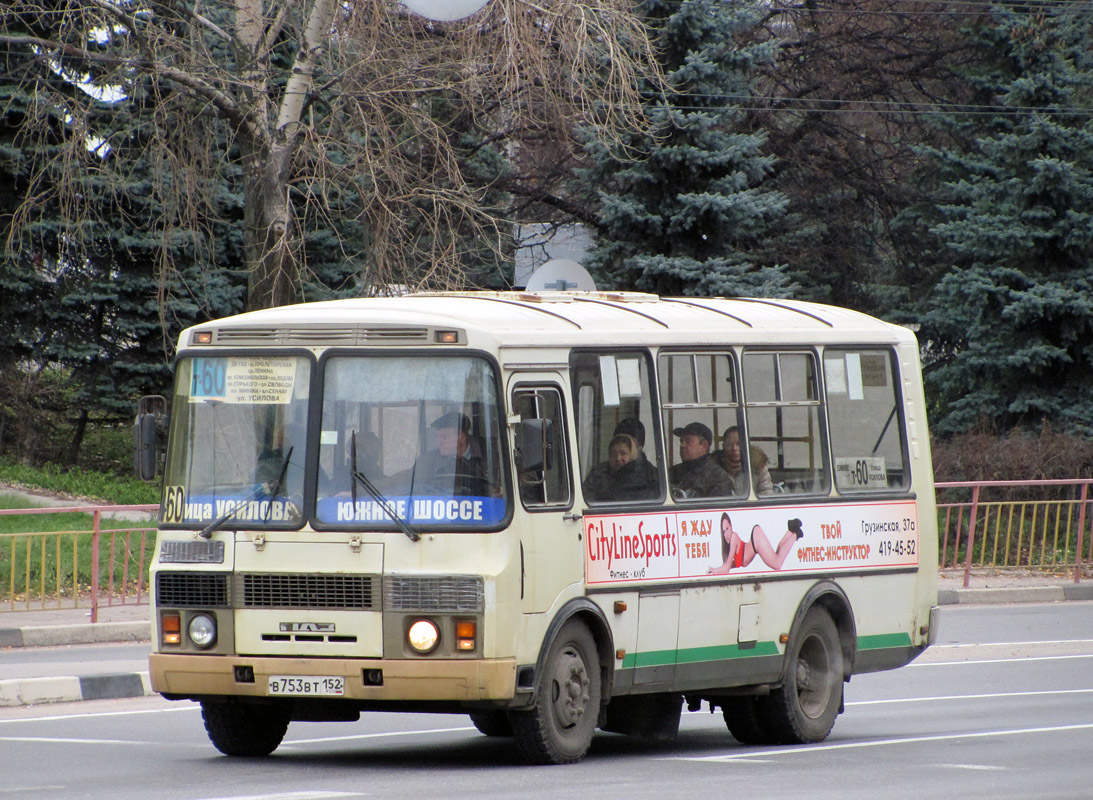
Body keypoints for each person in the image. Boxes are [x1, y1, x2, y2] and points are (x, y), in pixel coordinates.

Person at [414, 411, 493, 496]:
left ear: (462, 437)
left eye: (444, 437)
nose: (439, 443)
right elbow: (411, 483)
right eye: (437, 437)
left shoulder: (490, 454)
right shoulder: (428, 460)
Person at [708, 512, 804, 574]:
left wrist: (714, 570)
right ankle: (791, 530)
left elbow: (726, 569)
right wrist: (718, 569)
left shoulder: (733, 537)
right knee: (777, 555)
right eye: (723, 531)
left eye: (727, 529)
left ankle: (796, 535)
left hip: (756, 541)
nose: (726, 534)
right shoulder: (730, 545)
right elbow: (730, 565)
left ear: (731, 526)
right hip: (755, 541)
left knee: (777, 564)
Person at [668, 421, 734, 499]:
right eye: (681, 441)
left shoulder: (717, 477)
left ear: (704, 446)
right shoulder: (675, 471)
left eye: (688, 441)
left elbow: (716, 508)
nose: (682, 445)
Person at [583, 433, 653, 502]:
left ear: (632, 455)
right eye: (613, 454)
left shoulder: (645, 476)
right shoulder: (598, 473)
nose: (618, 458)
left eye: (623, 453)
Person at [718, 426, 773, 496]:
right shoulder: (714, 469)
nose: (734, 448)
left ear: (746, 445)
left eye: (738, 444)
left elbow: (766, 495)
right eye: (729, 444)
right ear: (723, 446)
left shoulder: (758, 467)